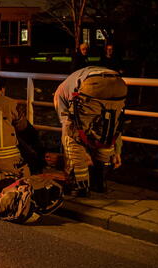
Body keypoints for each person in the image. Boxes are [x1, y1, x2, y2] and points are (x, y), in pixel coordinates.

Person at [54, 66, 127, 196]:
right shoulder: (71, 82)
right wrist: (117, 149)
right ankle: (100, 182)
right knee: (106, 133)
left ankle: (79, 186)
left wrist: (81, 152)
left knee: (72, 137)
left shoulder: (59, 95)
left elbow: (67, 124)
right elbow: (115, 130)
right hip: (119, 84)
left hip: (93, 86)